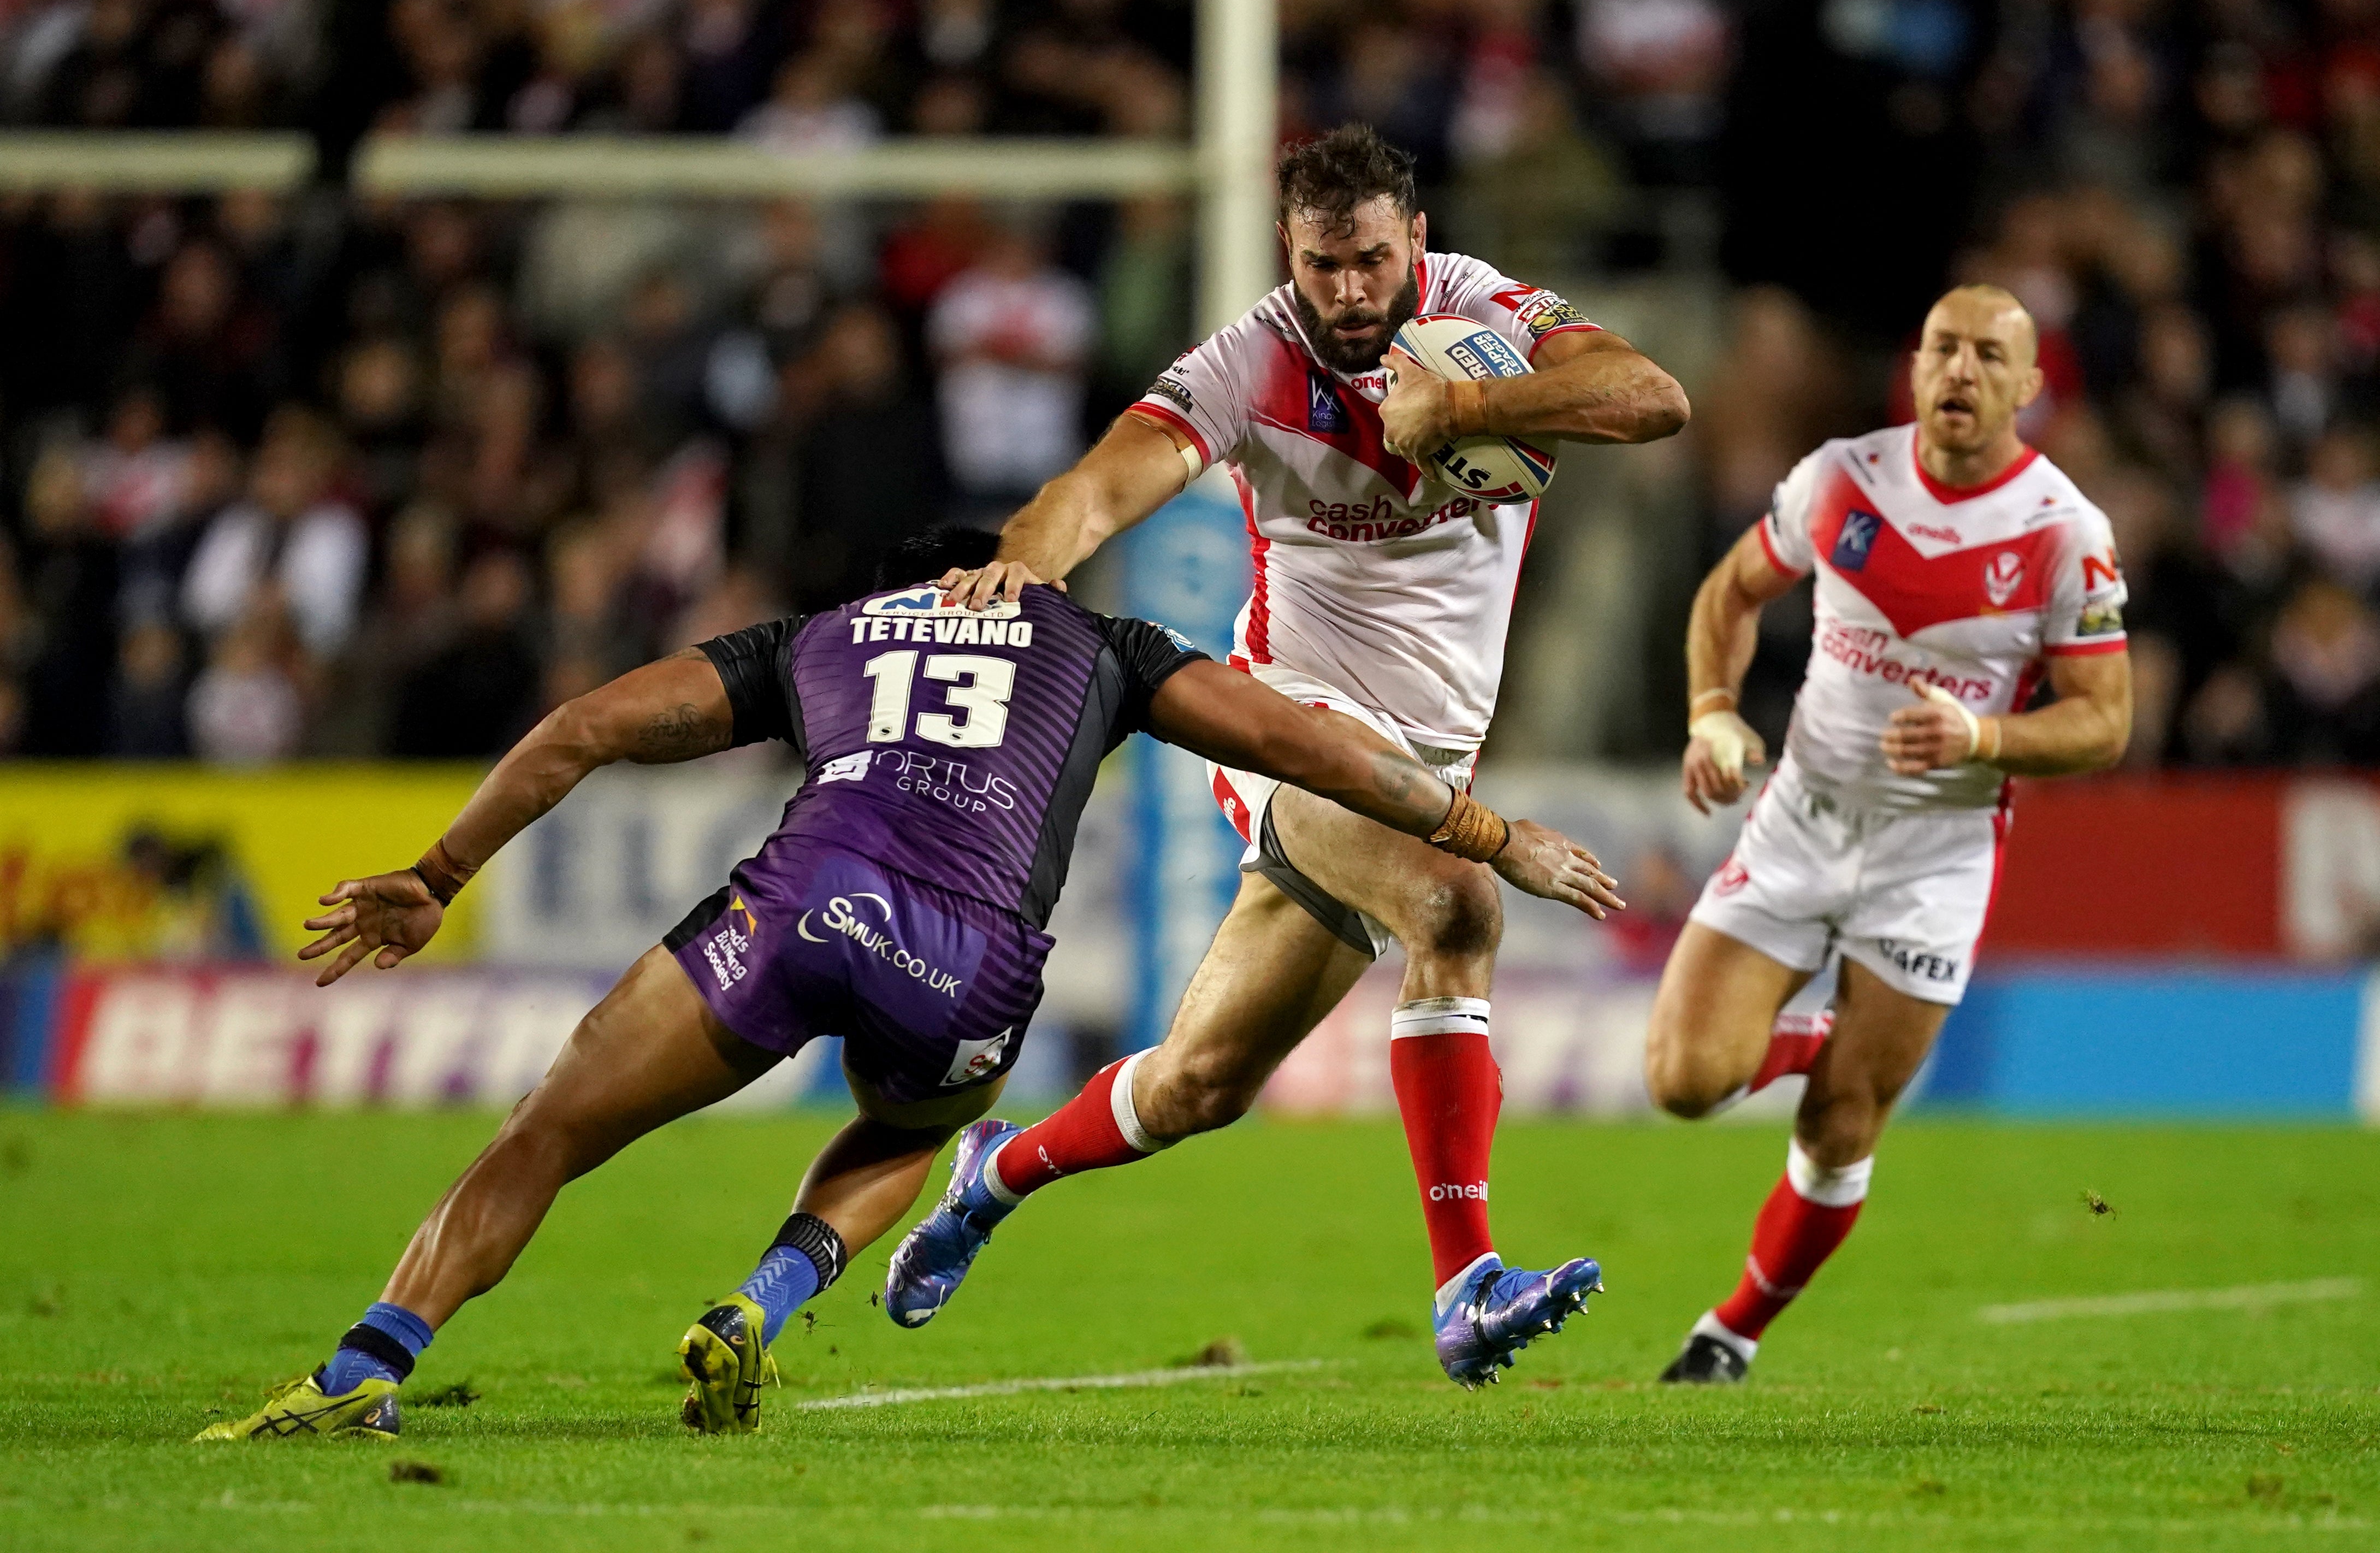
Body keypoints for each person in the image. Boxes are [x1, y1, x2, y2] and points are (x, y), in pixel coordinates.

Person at [196, 526, 1619, 1442]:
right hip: (970, 968)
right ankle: (763, 1291)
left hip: (802, 901)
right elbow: (1303, 742)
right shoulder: (1099, 646)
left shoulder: (820, 635)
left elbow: (583, 727)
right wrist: (1489, 835)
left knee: (549, 1128)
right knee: (904, 1124)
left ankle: (362, 1369)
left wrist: (440, 873)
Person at [897, 123, 1689, 1387]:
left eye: (1371, 259)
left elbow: (1655, 398)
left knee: (1199, 1085)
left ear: (1416, 242)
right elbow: (1099, 489)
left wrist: (1470, 406)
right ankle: (1468, 1285)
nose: (1350, 291)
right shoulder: (1248, 364)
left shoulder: (1487, 317)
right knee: (1455, 899)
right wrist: (1022, 562)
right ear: (1289, 252)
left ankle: (997, 1171)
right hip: (1289, 727)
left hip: (1428, 754)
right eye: (1323, 265)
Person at [1645, 285, 2133, 1384]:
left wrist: (1981, 732)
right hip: (1801, 822)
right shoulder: (1840, 480)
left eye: (1987, 356)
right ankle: (1831, 1038)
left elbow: (2104, 724)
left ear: (2028, 384)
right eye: (1942, 351)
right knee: (1681, 1079)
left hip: (1935, 858)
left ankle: (1730, 1331)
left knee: (1838, 1129)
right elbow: (1729, 594)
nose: (1959, 371)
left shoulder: (2063, 532)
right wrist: (1712, 714)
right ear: (1914, 369)